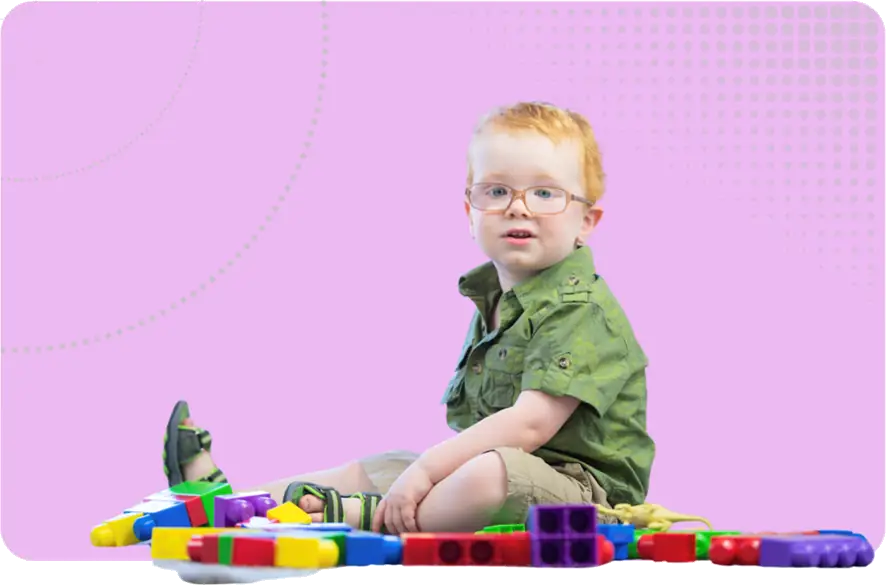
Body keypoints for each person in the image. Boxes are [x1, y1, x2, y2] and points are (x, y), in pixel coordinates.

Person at [161, 101, 655, 535]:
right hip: (495, 470)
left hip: (582, 496)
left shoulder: (579, 308)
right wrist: (418, 471)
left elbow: (528, 426)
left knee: (485, 474)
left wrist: (426, 470)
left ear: (586, 222)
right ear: (469, 211)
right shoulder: (497, 302)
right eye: (497, 191)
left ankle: (358, 514)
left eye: (546, 194)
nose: (518, 208)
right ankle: (236, 505)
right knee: (381, 466)